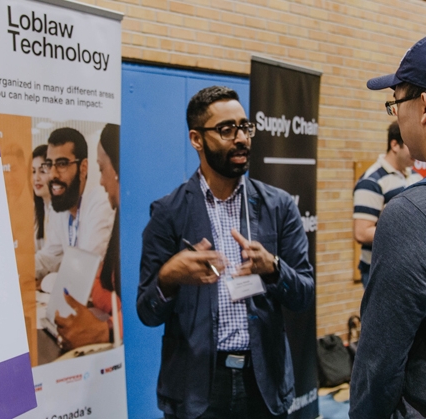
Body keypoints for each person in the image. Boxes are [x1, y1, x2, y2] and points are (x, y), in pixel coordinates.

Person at [137, 86, 314, 419]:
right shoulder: (169, 213)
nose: (242, 139)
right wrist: (170, 276)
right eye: (226, 130)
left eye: (245, 127)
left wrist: (274, 268)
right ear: (196, 139)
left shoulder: (278, 207)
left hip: (263, 382)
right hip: (197, 386)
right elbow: (147, 312)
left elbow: (304, 294)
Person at [350, 36, 426, 419]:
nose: (396, 115)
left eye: (396, 103)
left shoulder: (409, 214)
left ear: (425, 106)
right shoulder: (375, 183)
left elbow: (378, 370)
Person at [54, 124, 122, 351]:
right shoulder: (65, 214)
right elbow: (102, 287)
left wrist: (109, 328)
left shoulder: (101, 205)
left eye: (102, 169)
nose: (101, 181)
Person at [35, 127, 114, 282]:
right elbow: (48, 257)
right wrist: (17, 269)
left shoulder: (99, 203)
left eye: (62, 164)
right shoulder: (63, 205)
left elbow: (85, 274)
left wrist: (47, 281)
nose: (52, 174)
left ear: (83, 168)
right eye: (49, 164)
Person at [353, 121, 421, 288]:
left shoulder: (415, 176)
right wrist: (408, 231)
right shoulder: (371, 181)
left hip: (408, 268)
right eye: (409, 143)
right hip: (380, 271)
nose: (414, 149)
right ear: (395, 145)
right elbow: (362, 232)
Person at [31, 144, 52, 250]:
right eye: (33, 171)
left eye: (42, 171)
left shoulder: (62, 212)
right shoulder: (39, 208)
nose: (36, 178)